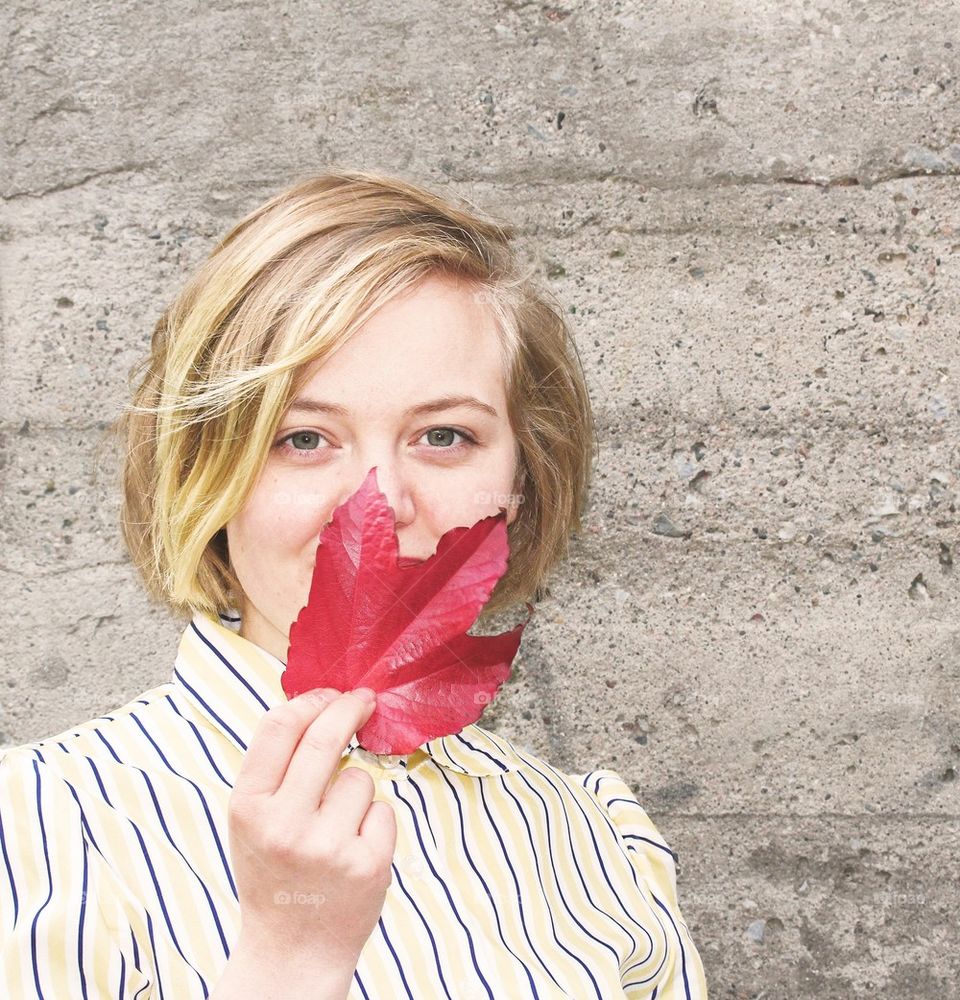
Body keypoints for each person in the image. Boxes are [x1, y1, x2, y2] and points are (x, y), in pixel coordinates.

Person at [0, 170, 709, 999]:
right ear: (206, 471)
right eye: (303, 438)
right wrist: (289, 961)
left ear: (522, 479)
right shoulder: (39, 827)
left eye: (444, 435)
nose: (379, 503)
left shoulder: (585, 839)